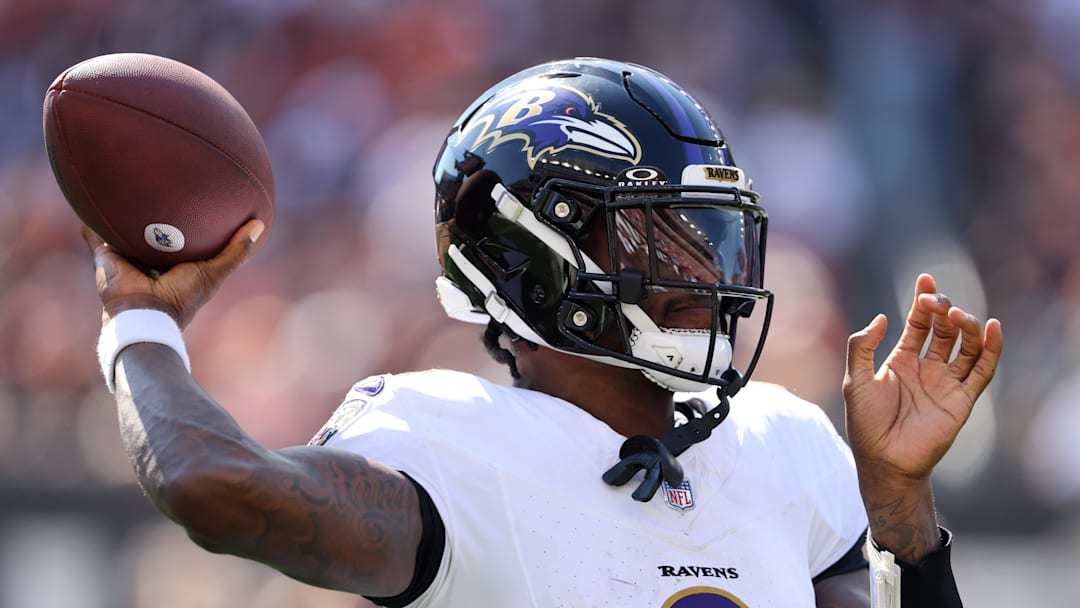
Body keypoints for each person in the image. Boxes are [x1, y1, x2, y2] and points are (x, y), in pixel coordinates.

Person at [85, 58, 1002, 607]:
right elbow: (209, 485)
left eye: (711, 237)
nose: (707, 275)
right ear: (533, 259)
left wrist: (901, 512)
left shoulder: (787, 445)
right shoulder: (450, 447)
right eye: (656, 237)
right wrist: (142, 321)